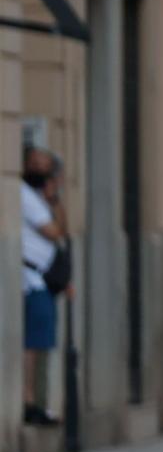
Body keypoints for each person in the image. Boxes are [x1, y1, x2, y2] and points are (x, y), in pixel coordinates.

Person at [19, 148, 65, 427]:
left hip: (43, 281)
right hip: (31, 281)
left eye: (46, 167)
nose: (41, 172)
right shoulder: (25, 196)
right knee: (33, 345)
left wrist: (55, 198)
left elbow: (64, 229)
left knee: (42, 344)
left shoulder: (40, 199)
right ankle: (29, 402)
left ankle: (38, 402)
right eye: (35, 165)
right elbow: (54, 232)